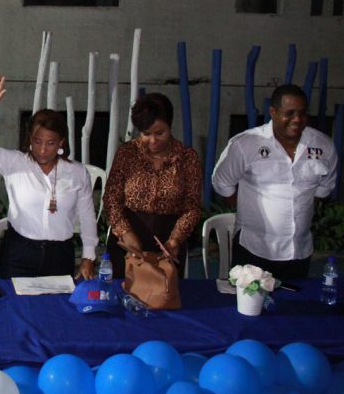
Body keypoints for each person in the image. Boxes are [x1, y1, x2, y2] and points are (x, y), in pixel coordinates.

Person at [0, 73, 98, 279]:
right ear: (30, 138)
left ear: (61, 143)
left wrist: (88, 257)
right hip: (18, 253)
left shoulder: (77, 172)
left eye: (50, 143)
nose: (42, 149)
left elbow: (86, 217)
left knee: (57, 308)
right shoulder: (14, 163)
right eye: (38, 141)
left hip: (60, 255)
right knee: (16, 307)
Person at [212, 84, 338, 280]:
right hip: (254, 249)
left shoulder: (323, 145)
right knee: (249, 308)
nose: (297, 119)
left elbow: (323, 189)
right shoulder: (245, 144)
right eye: (289, 113)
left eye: (303, 113)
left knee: (294, 306)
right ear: (273, 112)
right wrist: (250, 210)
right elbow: (222, 183)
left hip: (299, 251)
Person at [103, 93, 201, 279]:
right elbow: (111, 198)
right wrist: (125, 233)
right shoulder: (128, 153)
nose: (153, 141)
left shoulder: (187, 158)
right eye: (146, 134)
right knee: (124, 291)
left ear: (170, 126)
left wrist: (175, 239)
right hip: (129, 234)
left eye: (160, 133)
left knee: (163, 296)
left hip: (168, 238)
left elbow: (192, 206)